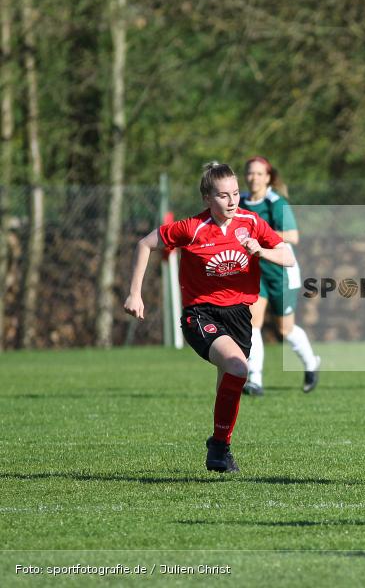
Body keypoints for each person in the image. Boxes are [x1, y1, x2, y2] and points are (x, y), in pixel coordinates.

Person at [123, 162, 295, 473]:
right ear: (207, 199)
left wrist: (261, 252)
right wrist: (135, 293)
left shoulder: (252, 222)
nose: (232, 201)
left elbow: (289, 256)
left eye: (236, 194)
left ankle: (220, 448)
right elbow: (145, 244)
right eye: (223, 195)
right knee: (237, 367)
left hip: (239, 315)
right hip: (200, 314)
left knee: (229, 381)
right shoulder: (192, 228)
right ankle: (218, 447)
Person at [240, 156, 320, 396]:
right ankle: (255, 379)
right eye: (250, 173)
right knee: (252, 323)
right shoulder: (240, 201)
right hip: (255, 272)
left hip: (281, 272)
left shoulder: (275, 202)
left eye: (258, 174)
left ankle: (311, 363)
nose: (253, 178)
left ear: (268, 177)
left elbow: (293, 236)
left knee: (285, 330)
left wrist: (261, 236)